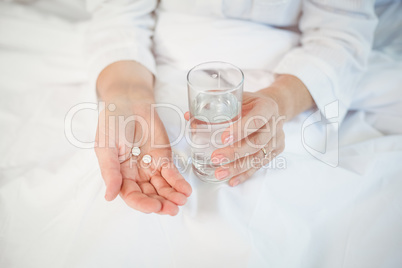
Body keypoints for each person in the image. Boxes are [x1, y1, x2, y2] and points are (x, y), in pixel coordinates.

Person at [86, 0, 378, 216]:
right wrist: (127, 94)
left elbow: (340, 34)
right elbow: (118, 15)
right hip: (148, 66)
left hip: (290, 80)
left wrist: (279, 102)